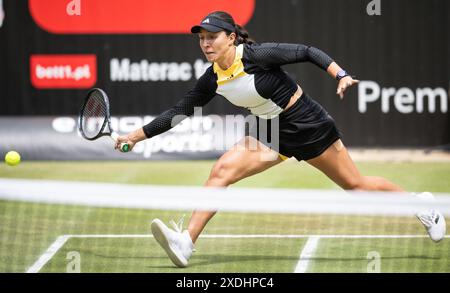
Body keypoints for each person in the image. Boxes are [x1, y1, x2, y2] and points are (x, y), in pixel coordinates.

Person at [115, 11, 446, 268]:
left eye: (213, 37)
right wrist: (136, 136)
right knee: (222, 171)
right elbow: (180, 110)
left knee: (355, 185)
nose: (206, 43)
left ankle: (423, 207)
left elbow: (306, 51)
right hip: (269, 131)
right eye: (202, 38)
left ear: (231, 38)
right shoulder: (212, 78)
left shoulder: (257, 56)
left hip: (306, 124)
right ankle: (185, 242)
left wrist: (340, 75)